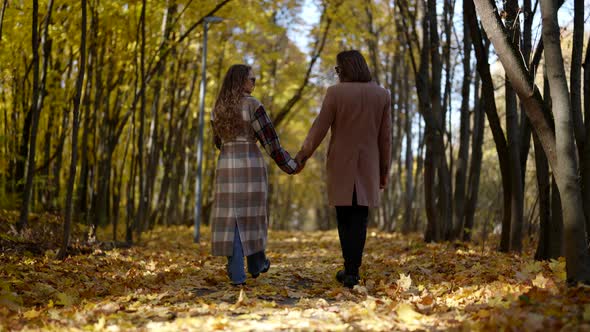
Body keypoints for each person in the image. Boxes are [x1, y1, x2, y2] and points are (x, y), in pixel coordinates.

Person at [295, 50, 392, 288]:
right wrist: (383, 171)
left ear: (346, 69)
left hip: (341, 164)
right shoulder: (382, 95)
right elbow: (385, 139)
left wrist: (303, 155)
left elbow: (319, 127)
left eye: (338, 69)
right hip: (368, 165)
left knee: (344, 217)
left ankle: (349, 270)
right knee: (360, 218)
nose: (336, 74)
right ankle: (352, 270)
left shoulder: (335, 93)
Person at [210, 64, 300, 286]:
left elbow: (217, 142)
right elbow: (271, 142)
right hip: (250, 164)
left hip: (226, 166)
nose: (254, 83)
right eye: (252, 79)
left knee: (231, 218)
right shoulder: (253, 105)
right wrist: (291, 165)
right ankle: (255, 265)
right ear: (241, 80)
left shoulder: (218, 108)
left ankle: (239, 271)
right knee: (251, 216)